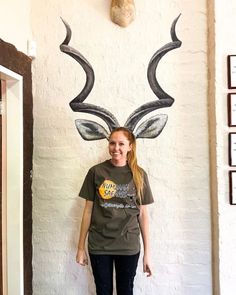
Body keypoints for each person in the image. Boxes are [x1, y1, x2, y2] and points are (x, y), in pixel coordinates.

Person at [76, 127, 154, 295]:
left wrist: (148, 253)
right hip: (99, 245)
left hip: (128, 246)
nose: (115, 148)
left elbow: (143, 215)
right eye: (112, 143)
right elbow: (88, 211)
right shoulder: (96, 172)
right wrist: (80, 247)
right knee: (103, 291)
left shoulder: (139, 175)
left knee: (125, 291)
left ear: (130, 146)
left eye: (121, 144)